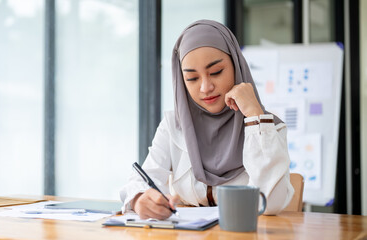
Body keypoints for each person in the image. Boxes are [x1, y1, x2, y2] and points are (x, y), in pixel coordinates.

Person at [120, 19, 294, 220]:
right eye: (192, 78)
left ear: (236, 66)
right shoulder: (173, 125)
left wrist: (255, 116)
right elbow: (141, 180)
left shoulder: (269, 127)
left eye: (216, 72)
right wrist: (140, 198)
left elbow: (269, 203)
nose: (205, 88)